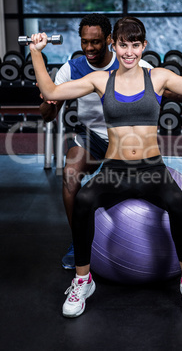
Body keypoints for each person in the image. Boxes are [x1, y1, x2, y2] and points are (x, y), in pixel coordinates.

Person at [30, 16, 182, 319]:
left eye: (135, 45)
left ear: (144, 46)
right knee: (83, 200)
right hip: (115, 168)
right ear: (115, 44)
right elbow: (52, 93)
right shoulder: (101, 81)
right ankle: (83, 279)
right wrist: (36, 51)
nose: (129, 52)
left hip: (151, 167)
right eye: (123, 44)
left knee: (178, 203)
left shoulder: (157, 76)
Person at [39, 14, 153, 269]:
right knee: (70, 173)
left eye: (96, 42)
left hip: (125, 137)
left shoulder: (129, 61)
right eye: (85, 42)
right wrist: (49, 101)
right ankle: (78, 241)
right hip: (92, 136)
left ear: (110, 40)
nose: (89, 48)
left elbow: (163, 88)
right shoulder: (72, 68)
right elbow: (47, 115)